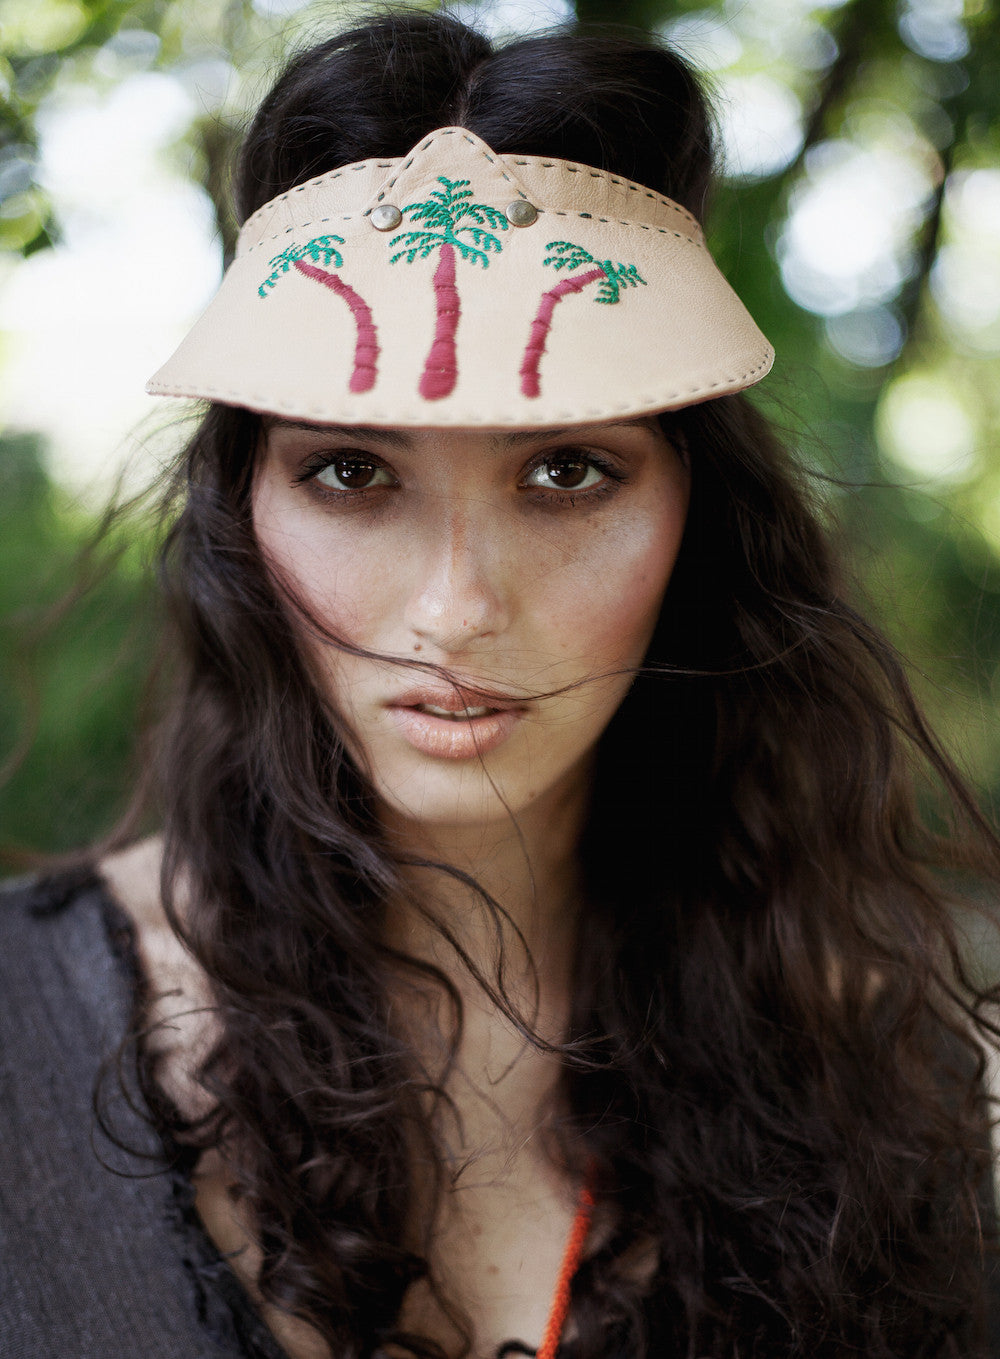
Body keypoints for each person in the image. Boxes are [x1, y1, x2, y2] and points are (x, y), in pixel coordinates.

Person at [2, 10, 998, 1359]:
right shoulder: (20, 1019)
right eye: (352, 473)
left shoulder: (904, 1083)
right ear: (241, 515)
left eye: (567, 471)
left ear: (700, 517)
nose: (456, 608)